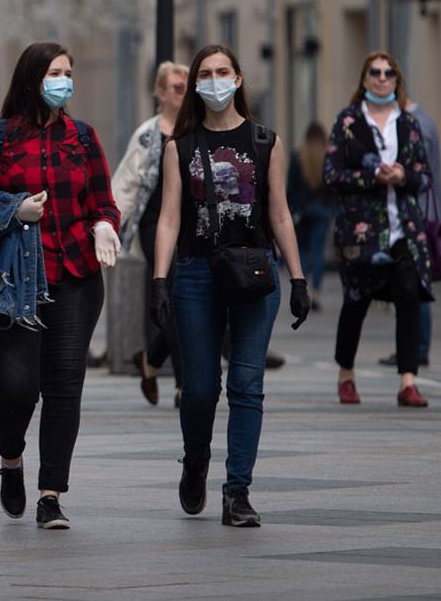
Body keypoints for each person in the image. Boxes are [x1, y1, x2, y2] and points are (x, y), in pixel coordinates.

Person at [0, 41, 121, 530]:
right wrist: (12, 209)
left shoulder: (83, 138)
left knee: (65, 387)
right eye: (53, 72)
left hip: (75, 276)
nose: (62, 81)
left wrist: (105, 225)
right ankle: (10, 462)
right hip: (11, 282)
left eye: (67, 72)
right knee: (16, 384)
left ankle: (52, 496)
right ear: (31, 79)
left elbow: (102, 201)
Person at [149, 45, 311, 527]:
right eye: (206, 73)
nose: (215, 80)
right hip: (198, 273)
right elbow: (169, 218)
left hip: (256, 270)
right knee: (199, 389)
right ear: (195, 84)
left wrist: (299, 277)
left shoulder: (266, 141)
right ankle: (195, 460)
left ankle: (237, 490)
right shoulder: (180, 146)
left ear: (239, 78)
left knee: (247, 384)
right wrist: (160, 281)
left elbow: (279, 210)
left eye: (223, 72)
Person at [325, 51, 435, 408]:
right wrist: (370, 175)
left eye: (389, 73)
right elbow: (331, 174)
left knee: (409, 296)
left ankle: (408, 381)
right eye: (375, 72)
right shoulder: (348, 122)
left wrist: (403, 175)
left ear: (396, 79)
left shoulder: (408, 123)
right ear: (364, 78)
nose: (382, 78)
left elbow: (424, 176)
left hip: (403, 228)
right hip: (361, 231)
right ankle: (346, 374)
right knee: (356, 301)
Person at [111, 60, 188, 407]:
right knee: (171, 295)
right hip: (155, 224)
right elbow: (125, 187)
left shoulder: (199, 130)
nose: (184, 91)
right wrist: (108, 228)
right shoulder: (147, 135)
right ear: (161, 94)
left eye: (188, 84)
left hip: (192, 224)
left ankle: (151, 360)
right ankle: (185, 383)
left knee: (191, 299)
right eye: (177, 86)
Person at [381, 98, 441, 368]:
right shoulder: (417, 121)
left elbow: (420, 172)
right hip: (412, 216)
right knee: (409, 285)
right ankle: (411, 347)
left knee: (416, 284)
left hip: (419, 216)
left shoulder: (417, 124)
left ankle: (418, 349)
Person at [285, 122, 332, 312]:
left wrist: (292, 208)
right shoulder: (327, 157)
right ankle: (316, 294)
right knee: (318, 252)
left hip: (302, 212)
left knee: (302, 252)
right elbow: (332, 186)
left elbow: (291, 187)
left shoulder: (298, 156)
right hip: (322, 211)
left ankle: (302, 289)